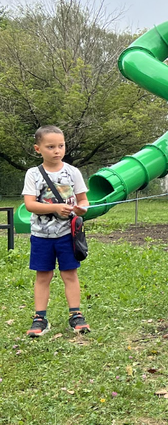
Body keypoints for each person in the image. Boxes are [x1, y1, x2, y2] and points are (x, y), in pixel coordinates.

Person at [22, 125, 90, 337]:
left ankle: (76, 315)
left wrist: (82, 209)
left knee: (70, 274)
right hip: (41, 236)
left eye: (60, 146)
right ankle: (40, 318)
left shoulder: (73, 172)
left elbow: (84, 200)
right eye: (50, 146)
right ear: (37, 149)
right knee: (43, 276)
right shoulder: (33, 174)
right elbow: (30, 205)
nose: (57, 151)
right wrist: (54, 208)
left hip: (67, 236)